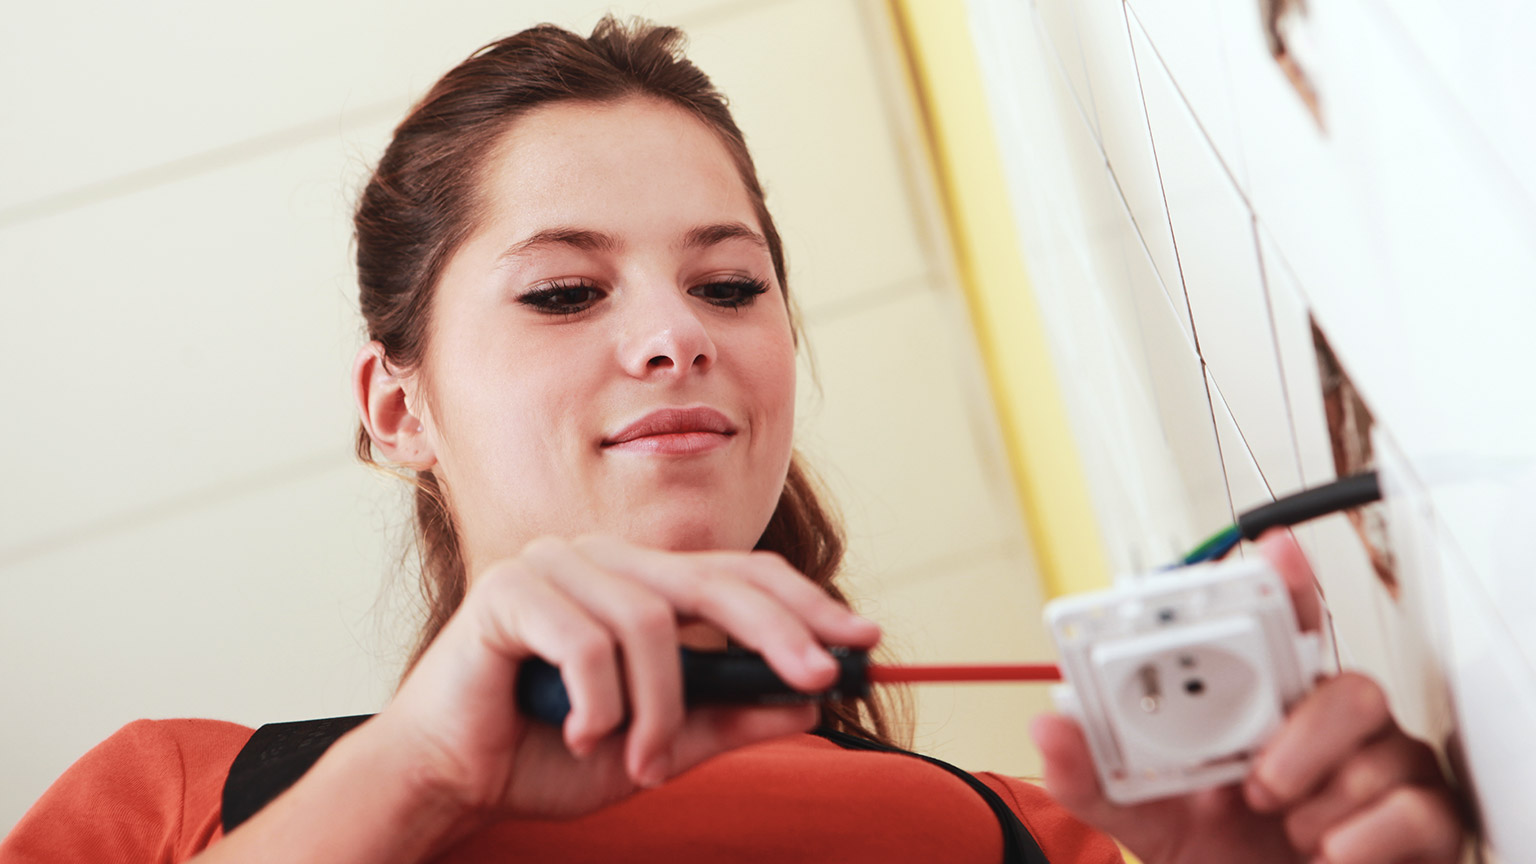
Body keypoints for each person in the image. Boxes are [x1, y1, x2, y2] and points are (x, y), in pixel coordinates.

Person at [1, 16, 1463, 864]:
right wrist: (418, 778)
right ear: (400, 410)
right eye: (566, 290)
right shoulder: (170, 806)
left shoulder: (1032, 838)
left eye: (727, 284)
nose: (675, 335)